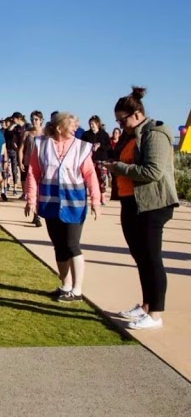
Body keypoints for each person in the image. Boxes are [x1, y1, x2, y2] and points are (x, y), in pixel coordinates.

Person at [104, 87, 179, 330]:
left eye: (122, 119)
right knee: (141, 258)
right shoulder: (131, 135)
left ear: (136, 114)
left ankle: (155, 314)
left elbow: (153, 172)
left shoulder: (155, 133)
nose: (120, 124)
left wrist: (119, 168)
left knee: (151, 258)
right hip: (131, 202)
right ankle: (146, 306)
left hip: (153, 204)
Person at [24, 112, 100, 302]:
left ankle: (77, 290)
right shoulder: (41, 144)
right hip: (50, 202)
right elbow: (33, 173)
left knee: (72, 244)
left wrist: (95, 200)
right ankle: (65, 285)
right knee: (59, 246)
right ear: (59, 128)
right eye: (72, 124)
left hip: (74, 202)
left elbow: (91, 175)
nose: (76, 127)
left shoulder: (81, 147)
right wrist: (31, 199)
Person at [19, 111, 45, 226]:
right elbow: (21, 149)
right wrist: (20, 161)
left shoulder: (46, 134)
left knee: (39, 190)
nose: (34, 122)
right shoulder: (27, 134)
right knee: (31, 189)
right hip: (29, 164)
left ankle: (37, 215)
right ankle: (35, 215)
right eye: (32, 119)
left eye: (36, 119)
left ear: (41, 120)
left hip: (42, 165)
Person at [81, 115, 112, 203]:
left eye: (93, 124)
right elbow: (81, 145)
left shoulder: (104, 134)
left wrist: (100, 146)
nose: (91, 126)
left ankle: (102, 195)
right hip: (89, 159)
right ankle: (92, 196)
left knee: (101, 178)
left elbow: (109, 146)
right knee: (89, 178)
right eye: (90, 124)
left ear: (97, 124)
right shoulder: (86, 134)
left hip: (102, 159)